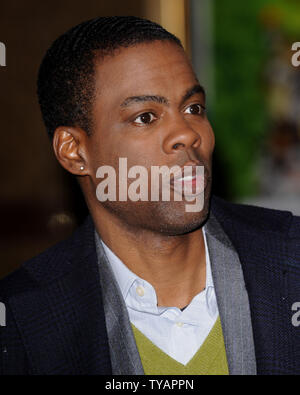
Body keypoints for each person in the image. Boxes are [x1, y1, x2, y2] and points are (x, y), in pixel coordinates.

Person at [0, 16, 299, 375]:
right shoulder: (20, 322)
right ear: (74, 151)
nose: (187, 134)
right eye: (145, 117)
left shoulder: (291, 258)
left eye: (194, 109)